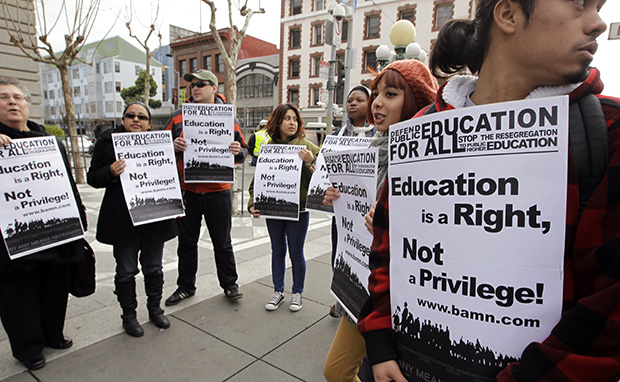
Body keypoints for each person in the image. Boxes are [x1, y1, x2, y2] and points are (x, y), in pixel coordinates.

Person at [357, 1, 620, 381]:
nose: (597, 23)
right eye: (579, 4)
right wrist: (380, 341)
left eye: (599, 7)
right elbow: (389, 247)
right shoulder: (422, 128)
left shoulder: (606, 135)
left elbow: (608, 319)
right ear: (509, 14)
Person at [323, 61, 438, 382]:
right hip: (366, 284)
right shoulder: (370, 150)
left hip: (406, 294)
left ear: (415, 100)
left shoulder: (428, 160)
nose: (376, 103)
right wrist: (340, 196)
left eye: (390, 94)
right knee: (336, 371)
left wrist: (390, 230)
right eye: (375, 94)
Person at [0, 77, 87, 370]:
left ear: (27, 105)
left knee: (55, 286)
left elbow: (66, 183)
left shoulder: (50, 143)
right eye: (4, 98)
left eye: (18, 97)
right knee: (19, 292)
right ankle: (28, 348)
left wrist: (78, 215)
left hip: (56, 230)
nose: (13, 102)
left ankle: (53, 334)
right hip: (16, 238)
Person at [87, 102, 177, 337]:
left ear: (149, 123)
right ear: (123, 119)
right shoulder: (107, 141)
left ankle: (155, 309)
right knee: (126, 270)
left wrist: (175, 200)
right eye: (131, 116)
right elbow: (92, 177)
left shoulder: (159, 143)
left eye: (142, 117)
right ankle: (129, 315)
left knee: (154, 267)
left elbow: (170, 177)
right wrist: (110, 172)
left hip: (154, 217)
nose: (136, 120)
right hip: (122, 219)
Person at [164, 69, 247, 305]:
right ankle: (185, 287)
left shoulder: (228, 118)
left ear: (214, 88)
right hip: (187, 192)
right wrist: (173, 146)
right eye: (192, 85)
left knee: (222, 242)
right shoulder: (178, 117)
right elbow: (160, 151)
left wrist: (237, 152)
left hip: (218, 192)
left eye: (201, 84)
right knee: (186, 243)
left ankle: (230, 284)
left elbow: (243, 152)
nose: (195, 88)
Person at [248, 103, 320, 312]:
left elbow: (324, 177)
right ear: (277, 122)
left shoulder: (307, 147)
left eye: (295, 119)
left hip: (299, 211)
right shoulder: (268, 148)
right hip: (274, 210)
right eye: (287, 118)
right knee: (277, 251)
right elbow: (258, 181)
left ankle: (297, 293)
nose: (292, 122)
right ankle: (278, 291)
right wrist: (252, 203)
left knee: (296, 253)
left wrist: (311, 161)